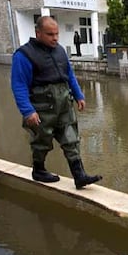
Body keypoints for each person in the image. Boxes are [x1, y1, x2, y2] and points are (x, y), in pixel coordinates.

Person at [10, 16, 102, 189]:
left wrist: (79, 95)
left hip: (64, 103)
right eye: (50, 34)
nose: (55, 38)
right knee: (41, 141)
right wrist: (28, 111)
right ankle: (38, 170)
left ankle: (79, 176)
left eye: (57, 34)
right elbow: (18, 85)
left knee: (71, 138)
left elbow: (70, 75)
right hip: (42, 107)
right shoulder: (24, 55)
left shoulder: (59, 50)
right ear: (38, 33)